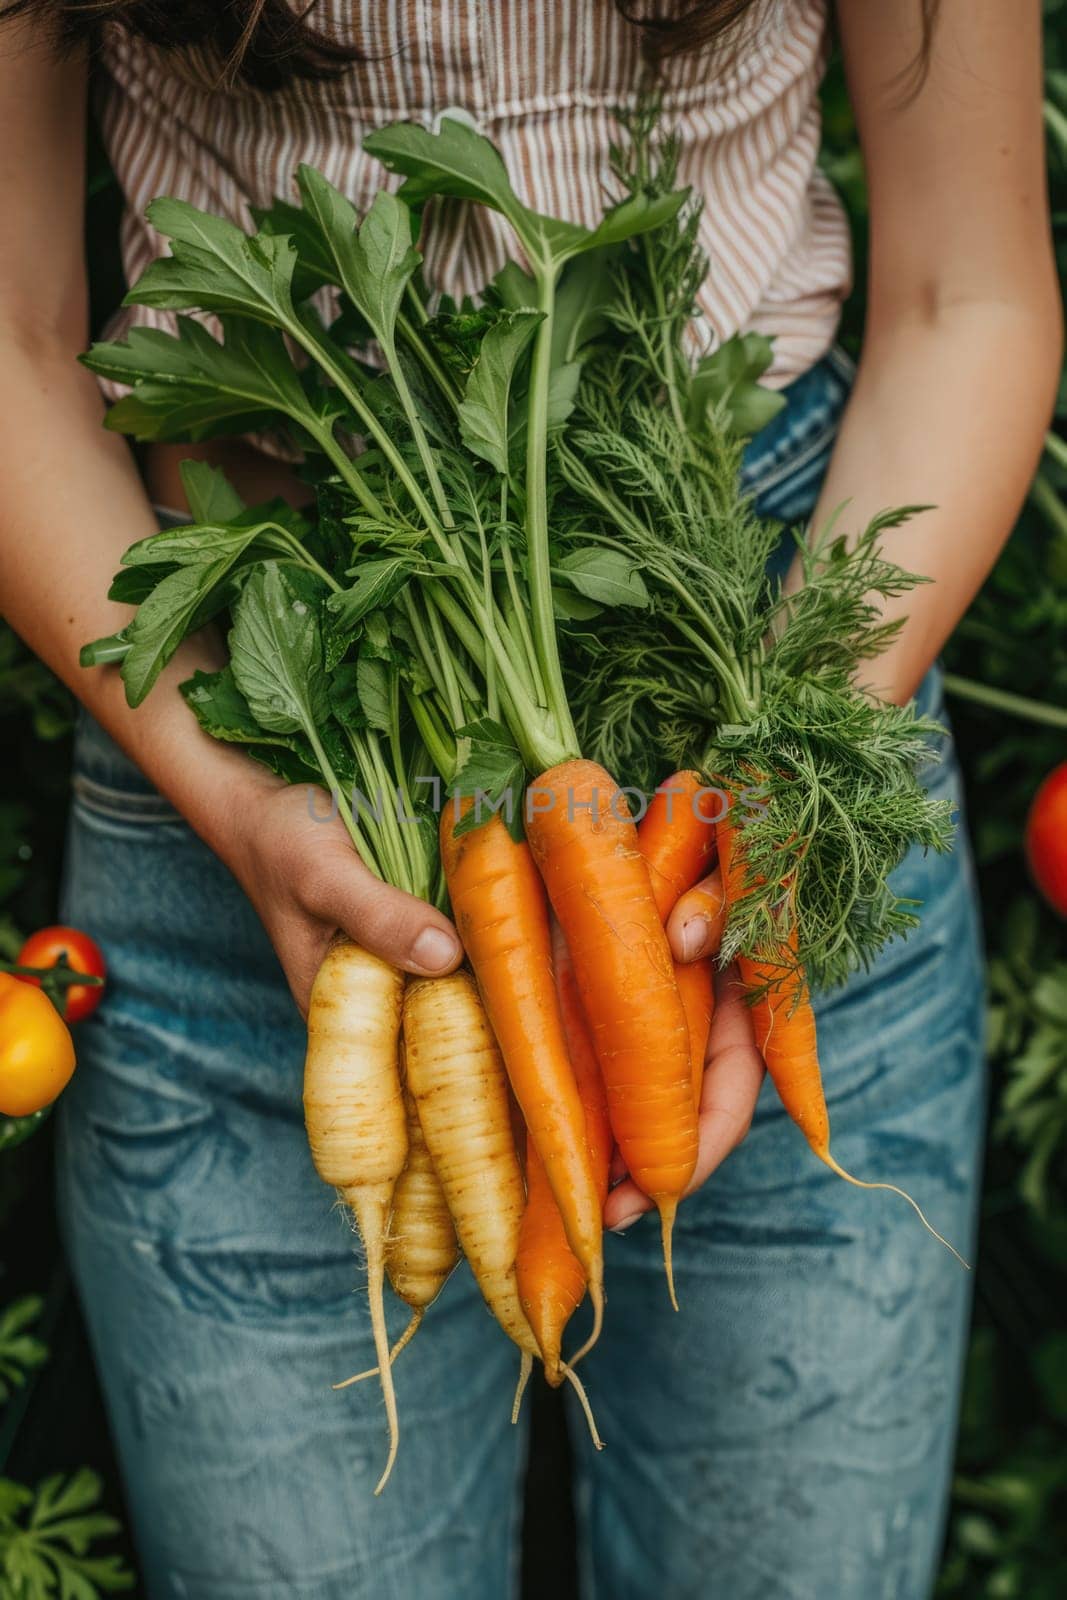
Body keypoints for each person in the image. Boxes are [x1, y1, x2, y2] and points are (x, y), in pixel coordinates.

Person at [0, 2, 1058, 1596]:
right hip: (250, 686)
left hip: (777, 666)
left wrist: (795, 758)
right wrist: (231, 802)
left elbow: (963, 293)